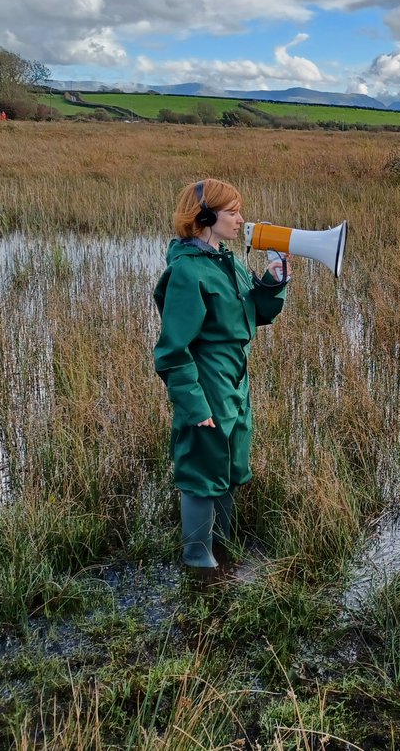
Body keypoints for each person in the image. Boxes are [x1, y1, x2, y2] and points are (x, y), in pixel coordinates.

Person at [152, 178, 290, 577]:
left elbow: (254, 313)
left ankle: (223, 544)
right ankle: (198, 559)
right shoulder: (186, 272)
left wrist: (274, 280)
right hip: (207, 381)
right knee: (202, 466)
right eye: (232, 212)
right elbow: (172, 352)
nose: (241, 219)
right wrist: (194, 405)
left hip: (234, 379)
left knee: (229, 463)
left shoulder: (224, 260)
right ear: (206, 217)